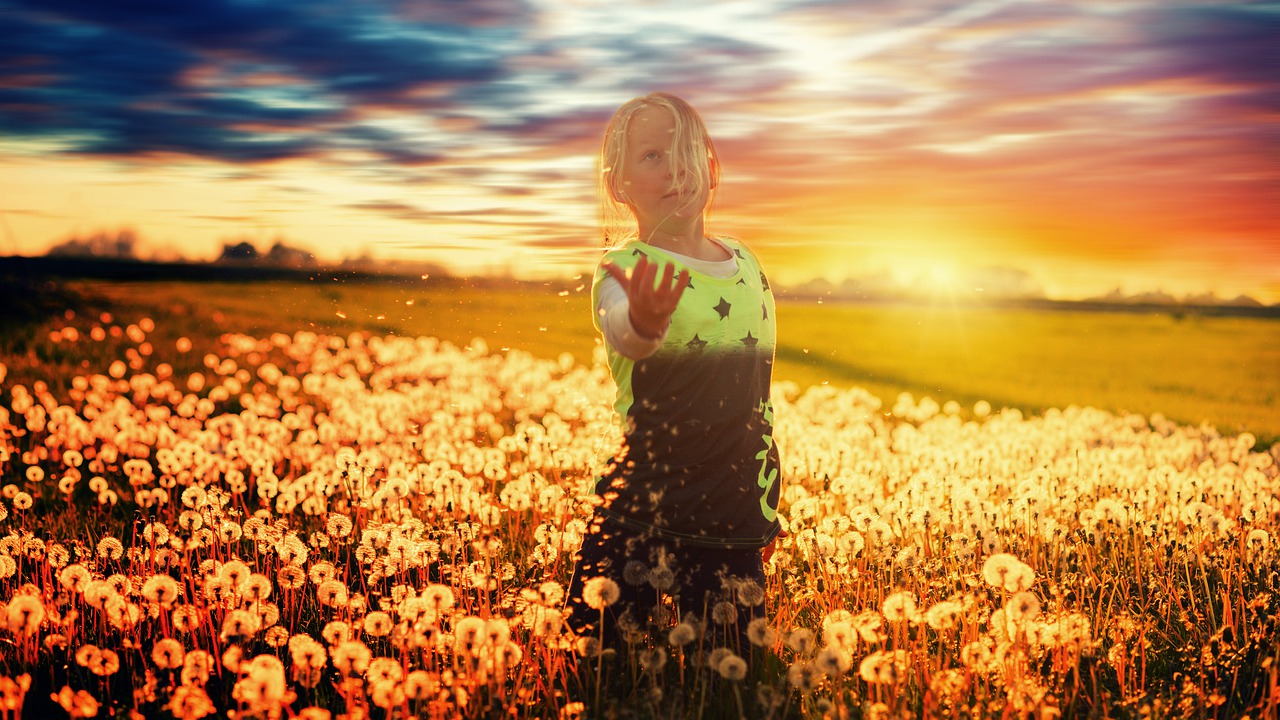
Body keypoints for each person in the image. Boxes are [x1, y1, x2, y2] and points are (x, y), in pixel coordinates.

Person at [565, 92, 783, 655]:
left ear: (712, 168)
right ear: (619, 184)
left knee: (731, 670)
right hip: (639, 508)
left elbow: (757, 403)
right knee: (605, 664)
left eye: (687, 153)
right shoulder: (624, 268)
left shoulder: (748, 264)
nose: (676, 169)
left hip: (732, 510)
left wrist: (764, 508)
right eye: (653, 156)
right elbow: (624, 332)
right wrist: (644, 320)